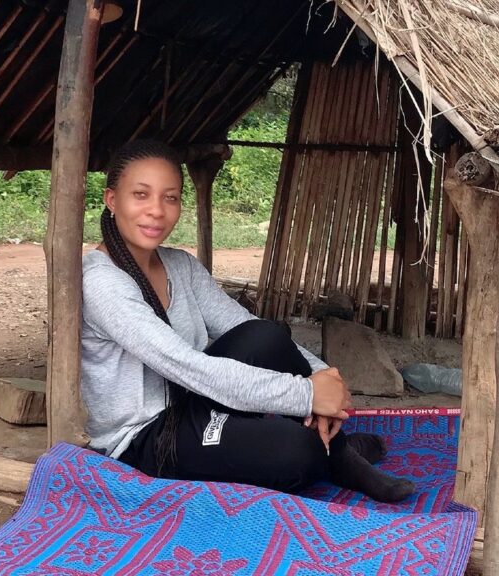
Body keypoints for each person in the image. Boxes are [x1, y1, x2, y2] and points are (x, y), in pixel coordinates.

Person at [80, 139, 414, 502]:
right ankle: (333, 454)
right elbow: (188, 366)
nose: (157, 211)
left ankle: (339, 453)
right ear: (112, 200)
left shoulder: (180, 265)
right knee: (295, 452)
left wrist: (325, 378)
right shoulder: (102, 283)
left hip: (191, 402)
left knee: (264, 335)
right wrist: (307, 395)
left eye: (170, 197)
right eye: (141, 195)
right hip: (145, 440)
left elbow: (243, 325)